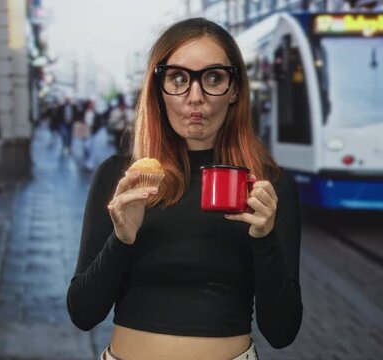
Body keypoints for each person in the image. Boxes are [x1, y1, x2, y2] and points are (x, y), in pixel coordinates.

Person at [67, 18, 302, 360]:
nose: (196, 97)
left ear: (234, 89)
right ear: (158, 88)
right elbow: (83, 314)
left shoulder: (268, 187)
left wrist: (265, 239)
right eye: (178, 78)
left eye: (213, 78)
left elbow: (282, 331)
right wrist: (121, 239)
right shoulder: (122, 178)